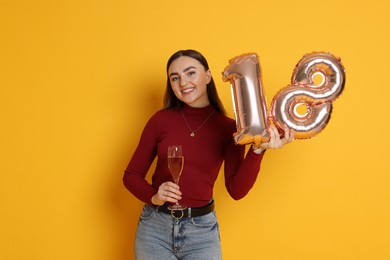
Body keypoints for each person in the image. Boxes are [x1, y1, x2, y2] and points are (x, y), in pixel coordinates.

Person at [123, 49, 294, 259]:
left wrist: (258, 150)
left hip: (201, 232)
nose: (183, 82)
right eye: (174, 78)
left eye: (190, 73)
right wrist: (154, 196)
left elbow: (236, 190)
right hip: (154, 230)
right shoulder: (160, 121)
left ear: (208, 76)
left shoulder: (230, 129)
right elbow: (131, 175)